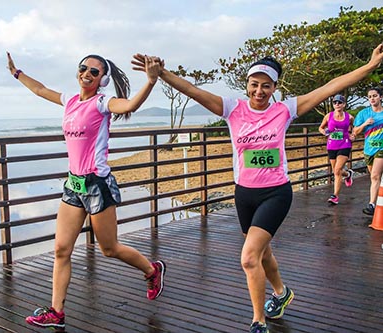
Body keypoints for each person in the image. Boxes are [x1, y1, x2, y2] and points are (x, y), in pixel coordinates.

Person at [132, 43, 383, 333]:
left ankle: (258, 321)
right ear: (247, 84)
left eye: (266, 86)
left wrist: (368, 67)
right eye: (254, 85)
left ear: (275, 86)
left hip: (275, 193)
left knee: (249, 257)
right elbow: (192, 90)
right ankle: (281, 292)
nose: (259, 91)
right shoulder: (232, 109)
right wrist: (161, 73)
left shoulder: (285, 110)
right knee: (263, 254)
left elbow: (330, 86)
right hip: (244, 195)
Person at [6, 52, 167, 330]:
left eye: (94, 72)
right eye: (84, 68)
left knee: (108, 248)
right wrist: (18, 74)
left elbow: (130, 104)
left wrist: (151, 82)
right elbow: (41, 90)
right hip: (73, 184)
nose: (87, 74)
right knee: (61, 249)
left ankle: (152, 270)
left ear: (102, 79)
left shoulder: (103, 103)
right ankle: (57, 313)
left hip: (97, 184)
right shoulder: (69, 100)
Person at [318, 94, 355, 205]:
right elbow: (321, 127)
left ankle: (335, 196)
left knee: (337, 169)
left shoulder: (350, 117)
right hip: (332, 145)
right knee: (336, 171)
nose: (337, 104)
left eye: (340, 102)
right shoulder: (328, 116)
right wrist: (323, 132)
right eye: (335, 102)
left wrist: (353, 135)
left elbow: (354, 128)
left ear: (344, 104)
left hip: (345, 144)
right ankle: (348, 174)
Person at [353, 87, 383, 215]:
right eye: (370, 96)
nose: (372, 98)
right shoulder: (363, 113)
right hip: (368, 149)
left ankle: (371, 204)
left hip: (381, 148)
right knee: (374, 177)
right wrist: (365, 124)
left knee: (375, 175)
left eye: (375, 96)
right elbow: (355, 131)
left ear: (381, 97)